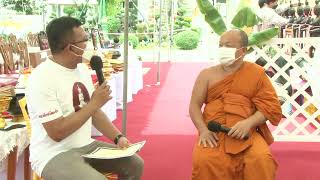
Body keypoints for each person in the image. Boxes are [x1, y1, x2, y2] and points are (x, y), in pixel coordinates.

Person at [26, 16, 144, 180]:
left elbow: (93, 112)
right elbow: (57, 132)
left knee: (135, 164)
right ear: (70, 48)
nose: (89, 45)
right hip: (53, 154)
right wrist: (94, 103)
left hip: (86, 146)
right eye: (85, 40)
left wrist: (118, 137)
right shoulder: (41, 78)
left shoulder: (81, 69)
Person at [189, 29, 282, 180]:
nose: (223, 49)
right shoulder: (206, 75)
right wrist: (203, 130)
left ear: (243, 50)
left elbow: (270, 106)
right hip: (214, 132)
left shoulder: (256, 73)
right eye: (220, 45)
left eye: (228, 46)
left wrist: (249, 123)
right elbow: (194, 106)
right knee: (205, 161)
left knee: (261, 158)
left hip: (247, 133)